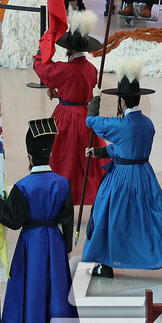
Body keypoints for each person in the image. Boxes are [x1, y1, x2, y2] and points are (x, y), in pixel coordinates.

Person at [0, 119, 77, 323]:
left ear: (29, 155)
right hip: (55, 242)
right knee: (57, 290)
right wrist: (66, 247)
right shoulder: (63, 182)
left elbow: (13, 220)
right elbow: (67, 219)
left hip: (32, 244)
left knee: (31, 291)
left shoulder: (23, 186)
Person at [79, 60, 162, 278]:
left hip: (122, 177)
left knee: (107, 214)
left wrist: (95, 96)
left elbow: (90, 121)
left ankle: (104, 263)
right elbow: (128, 147)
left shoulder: (119, 125)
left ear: (123, 102)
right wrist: (100, 153)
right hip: (144, 174)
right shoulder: (147, 124)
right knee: (150, 217)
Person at [33, 13, 103, 207]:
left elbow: (41, 67)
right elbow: (83, 92)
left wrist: (45, 44)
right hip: (85, 116)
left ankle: (59, 197)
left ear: (70, 49)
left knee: (62, 159)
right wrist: (61, 94)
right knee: (85, 162)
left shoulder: (64, 68)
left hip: (65, 117)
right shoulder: (92, 69)